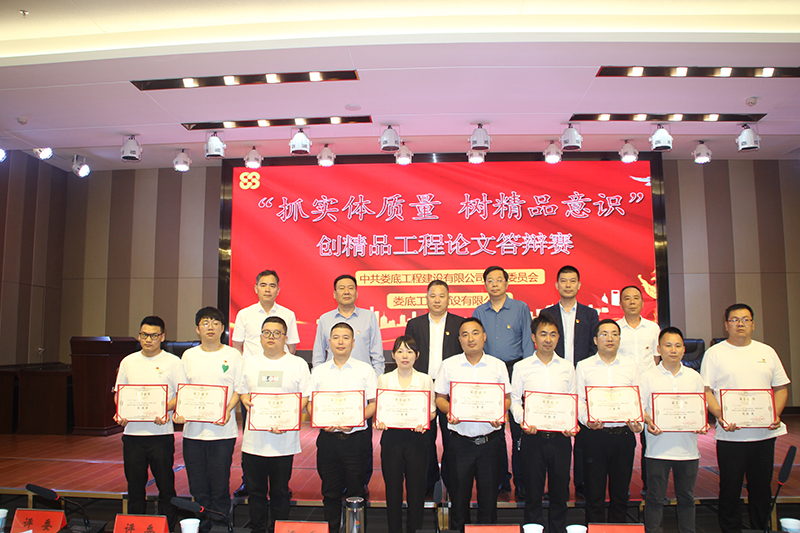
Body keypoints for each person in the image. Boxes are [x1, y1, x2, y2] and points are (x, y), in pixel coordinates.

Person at [701, 303, 790, 532]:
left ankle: (761, 528)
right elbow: (706, 390)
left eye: (745, 319)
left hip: (763, 434)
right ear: (726, 325)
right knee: (730, 489)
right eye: (734, 319)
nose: (740, 324)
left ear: (753, 324)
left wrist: (775, 414)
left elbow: (781, 387)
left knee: (761, 489)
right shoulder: (715, 353)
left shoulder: (767, 352)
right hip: (731, 436)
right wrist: (721, 415)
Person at [435, 317, 511, 532]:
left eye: (475, 333)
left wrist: (499, 412)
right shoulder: (449, 365)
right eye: (465, 334)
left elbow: (506, 398)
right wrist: (450, 411)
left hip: (490, 443)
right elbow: (440, 398)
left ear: (484, 337)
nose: (471, 339)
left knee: (489, 501)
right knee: (459, 502)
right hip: (460, 444)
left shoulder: (497, 365)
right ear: (459, 339)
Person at [238, 317, 311, 533]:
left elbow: (305, 397)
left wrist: (287, 417)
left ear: (285, 338)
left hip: (283, 440)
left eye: (277, 333)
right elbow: (243, 392)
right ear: (260, 337)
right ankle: (258, 529)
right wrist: (246, 400)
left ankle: (279, 528)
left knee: (280, 491)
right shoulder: (250, 362)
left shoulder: (297, 364)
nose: (271, 337)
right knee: (256, 492)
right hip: (254, 441)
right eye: (267, 333)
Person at [174, 307, 243, 533]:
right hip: (193, 433)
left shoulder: (233, 355)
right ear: (197, 329)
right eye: (205, 323)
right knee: (198, 485)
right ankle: (201, 526)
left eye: (215, 323)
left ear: (223, 329)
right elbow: (182, 389)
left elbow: (239, 389)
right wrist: (180, 412)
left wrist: (227, 410)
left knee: (220, 483)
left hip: (222, 432)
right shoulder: (189, 356)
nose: (210, 327)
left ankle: (221, 525)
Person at [231, 269, 300, 497]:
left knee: (282, 429)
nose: (267, 289)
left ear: (278, 289)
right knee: (251, 432)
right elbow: (237, 347)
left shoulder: (288, 314)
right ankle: (247, 481)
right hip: (253, 385)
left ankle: (282, 483)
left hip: (281, 384)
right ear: (256, 288)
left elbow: (291, 347)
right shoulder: (245, 314)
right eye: (263, 285)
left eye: (272, 285)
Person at [510, 313, 578, 533]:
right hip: (533, 438)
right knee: (533, 494)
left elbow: (573, 398)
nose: (548, 339)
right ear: (533, 337)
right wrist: (524, 420)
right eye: (543, 334)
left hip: (561, 439)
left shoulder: (567, 367)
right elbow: (514, 400)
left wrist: (571, 422)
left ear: (558, 337)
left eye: (553, 334)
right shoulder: (522, 367)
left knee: (560, 493)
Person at [472, 266, 534, 499]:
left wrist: (527, 373)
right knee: (494, 428)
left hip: (516, 369)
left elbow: (528, 342)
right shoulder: (479, 311)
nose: (495, 284)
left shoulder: (521, 308)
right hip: (490, 373)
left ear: (507, 283)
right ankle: (499, 480)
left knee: (519, 429)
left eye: (499, 280)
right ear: (485, 285)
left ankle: (523, 481)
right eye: (490, 280)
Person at [114, 316, 180, 532]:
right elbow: (119, 393)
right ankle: (135, 527)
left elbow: (181, 394)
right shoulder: (128, 361)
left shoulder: (173, 362)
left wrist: (164, 409)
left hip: (161, 434)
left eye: (153, 335)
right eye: (144, 335)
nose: (148, 339)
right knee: (134, 487)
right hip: (132, 434)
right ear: (139, 336)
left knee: (166, 486)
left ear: (162, 337)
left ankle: (168, 526)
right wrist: (121, 412)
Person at [310, 322, 378, 533]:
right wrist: (321, 420)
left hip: (356, 441)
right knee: (330, 491)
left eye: (346, 337)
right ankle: (332, 529)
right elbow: (311, 403)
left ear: (353, 342)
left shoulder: (365, 370)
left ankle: (356, 529)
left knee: (357, 491)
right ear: (329, 342)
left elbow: (374, 403)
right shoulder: (319, 371)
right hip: (328, 441)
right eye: (336, 337)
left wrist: (355, 419)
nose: (341, 342)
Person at [640, 327, 706, 533]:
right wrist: (649, 421)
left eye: (678, 346)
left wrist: (701, 422)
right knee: (654, 498)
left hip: (688, 450)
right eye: (668, 345)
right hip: (658, 449)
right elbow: (640, 407)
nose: (673, 350)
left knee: (687, 498)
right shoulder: (647, 377)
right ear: (659, 349)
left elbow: (700, 407)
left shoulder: (694, 377)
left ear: (684, 349)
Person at [576, 319, 642, 524]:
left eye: (614, 334)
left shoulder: (631, 366)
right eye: (604, 334)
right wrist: (587, 420)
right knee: (594, 494)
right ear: (596, 340)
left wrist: (637, 422)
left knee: (620, 494)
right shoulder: (584, 366)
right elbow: (579, 401)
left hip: (623, 436)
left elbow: (637, 398)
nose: (610, 338)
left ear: (620, 339)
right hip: (595, 436)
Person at [542, 265, 599, 499]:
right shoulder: (547, 313)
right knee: (557, 434)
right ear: (556, 285)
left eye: (572, 281)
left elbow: (593, 347)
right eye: (563, 281)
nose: (568, 285)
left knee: (584, 435)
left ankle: (583, 483)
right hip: (556, 378)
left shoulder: (590, 314)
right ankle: (558, 486)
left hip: (582, 377)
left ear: (579, 285)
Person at [404, 279, 464, 493]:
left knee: (452, 435)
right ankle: (428, 481)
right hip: (423, 385)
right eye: (433, 296)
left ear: (449, 299)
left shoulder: (459, 324)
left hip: (451, 388)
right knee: (423, 437)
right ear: (426, 298)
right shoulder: (415, 324)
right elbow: (407, 355)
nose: (437, 300)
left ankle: (451, 480)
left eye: (441, 296)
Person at [375, 336, 436, 533]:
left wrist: (424, 420)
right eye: (400, 351)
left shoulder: (425, 379)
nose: (405, 356)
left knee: (416, 490)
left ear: (417, 355)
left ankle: (414, 529)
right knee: (392, 489)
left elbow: (432, 410)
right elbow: (381, 408)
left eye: (409, 351)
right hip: (391, 438)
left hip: (417, 438)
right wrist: (380, 421)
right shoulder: (384, 379)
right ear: (393, 355)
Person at [616, 284, 660, 496]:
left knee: (650, 441)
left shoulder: (653, 328)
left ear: (642, 302)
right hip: (623, 392)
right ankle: (621, 486)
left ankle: (649, 485)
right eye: (627, 298)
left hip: (648, 391)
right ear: (620, 303)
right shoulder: (615, 328)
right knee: (624, 442)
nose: (632, 302)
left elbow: (656, 358)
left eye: (636, 298)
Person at [312, 274, 384, 375]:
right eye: (342, 288)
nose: (346, 292)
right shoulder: (325, 319)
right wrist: (318, 377)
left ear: (356, 293)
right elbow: (318, 355)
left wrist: (376, 378)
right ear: (334, 294)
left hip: (362, 377)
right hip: (332, 376)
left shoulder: (369, 317)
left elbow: (377, 355)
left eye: (350, 288)